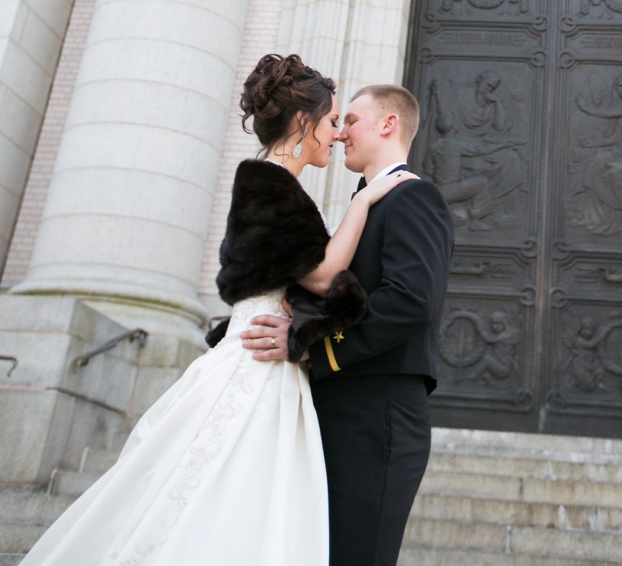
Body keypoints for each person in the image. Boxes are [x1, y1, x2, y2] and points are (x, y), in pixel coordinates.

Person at [19, 53, 416, 566]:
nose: (337, 133)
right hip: (256, 360)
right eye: (332, 119)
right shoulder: (270, 180)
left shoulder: (275, 182)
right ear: (303, 121)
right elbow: (320, 275)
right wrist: (363, 203)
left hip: (269, 352)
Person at [247, 83, 455, 566]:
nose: (340, 134)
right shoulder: (368, 202)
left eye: (352, 121)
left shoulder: (414, 198)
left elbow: (410, 301)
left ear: (389, 124)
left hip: (377, 414)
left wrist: (309, 346)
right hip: (339, 407)